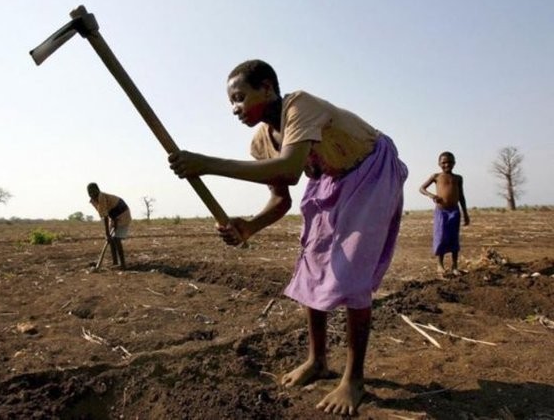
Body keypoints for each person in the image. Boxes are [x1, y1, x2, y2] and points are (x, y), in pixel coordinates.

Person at [168, 59, 408, 416]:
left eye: (240, 97)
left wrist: (206, 164)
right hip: (329, 179)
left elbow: (290, 170)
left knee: (350, 273)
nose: (235, 109)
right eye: (231, 103)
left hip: (369, 168)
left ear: (267, 88)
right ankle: (317, 360)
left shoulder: (300, 106)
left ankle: (354, 379)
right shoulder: (262, 142)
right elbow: (281, 198)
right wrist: (249, 226)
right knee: (311, 267)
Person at [419, 151, 470, 276]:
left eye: (450, 162)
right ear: (439, 163)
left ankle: (454, 266)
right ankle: (440, 265)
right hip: (441, 211)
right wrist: (432, 196)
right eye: (444, 162)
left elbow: (461, 196)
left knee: (454, 238)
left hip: (455, 211)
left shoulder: (458, 178)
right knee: (441, 237)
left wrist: (465, 213)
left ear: (454, 163)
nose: (447, 165)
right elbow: (421, 188)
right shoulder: (436, 176)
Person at [87, 183, 131, 270]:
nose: (93, 196)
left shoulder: (101, 197)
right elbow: (105, 214)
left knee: (116, 239)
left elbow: (105, 216)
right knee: (111, 240)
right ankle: (115, 262)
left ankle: (123, 264)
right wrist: (113, 222)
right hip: (114, 217)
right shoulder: (94, 201)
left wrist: (107, 233)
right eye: (91, 194)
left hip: (123, 215)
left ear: (97, 191)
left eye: (94, 193)